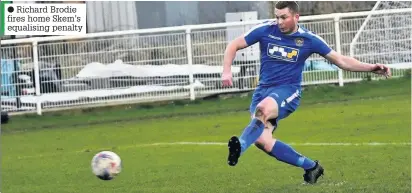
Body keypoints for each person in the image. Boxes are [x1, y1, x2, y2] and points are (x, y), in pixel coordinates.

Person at [221, 1, 391, 184]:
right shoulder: (265, 30)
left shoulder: (309, 40)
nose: (279, 21)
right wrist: (226, 70)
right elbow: (234, 45)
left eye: (284, 17)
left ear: (296, 17)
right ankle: (311, 167)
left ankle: (240, 145)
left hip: (288, 92)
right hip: (263, 91)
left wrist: (371, 68)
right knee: (263, 141)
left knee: (262, 110)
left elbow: (341, 61)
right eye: (277, 17)